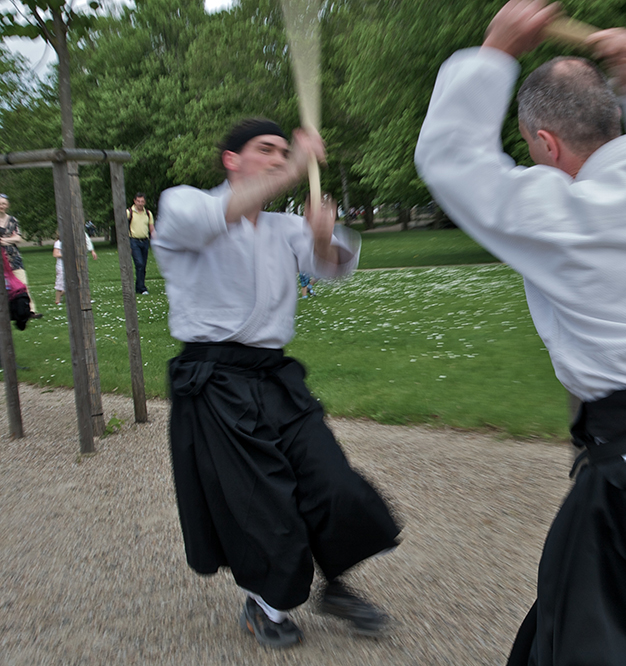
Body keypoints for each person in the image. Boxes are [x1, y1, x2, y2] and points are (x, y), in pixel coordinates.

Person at [415, 2, 626, 664]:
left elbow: (451, 160)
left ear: (546, 144)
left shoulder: (570, 216)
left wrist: (494, 50)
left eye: (529, 149)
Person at [152, 118, 401, 649]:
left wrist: (318, 236)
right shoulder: (185, 206)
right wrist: (293, 168)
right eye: (265, 150)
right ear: (231, 159)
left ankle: (334, 585)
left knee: (332, 482)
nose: (277, 159)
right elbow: (220, 215)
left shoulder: (286, 228)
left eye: (284, 151)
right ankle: (266, 605)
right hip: (214, 379)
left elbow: (333, 267)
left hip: (274, 374)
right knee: (263, 500)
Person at [0, 193, 41, 318]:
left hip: (13, 257)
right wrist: (10, 238)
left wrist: (4, 241)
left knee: (22, 284)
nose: (1, 206)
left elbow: (18, 238)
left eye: (3, 203)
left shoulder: (12, 220)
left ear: (7, 205)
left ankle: (29, 310)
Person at [53, 232, 98, 306]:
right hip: (62, 266)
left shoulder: (71, 243)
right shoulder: (59, 243)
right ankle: (58, 300)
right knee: (61, 283)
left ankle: (84, 298)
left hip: (72, 265)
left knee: (78, 281)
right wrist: (67, 255)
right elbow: (55, 254)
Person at [127, 192, 155, 295]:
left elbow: (151, 228)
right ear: (134, 201)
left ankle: (139, 286)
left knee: (143, 265)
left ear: (145, 202)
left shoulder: (148, 213)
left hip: (144, 241)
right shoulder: (129, 212)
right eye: (138, 201)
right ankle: (142, 287)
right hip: (134, 241)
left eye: (142, 201)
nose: (140, 203)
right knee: (139, 263)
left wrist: (155, 240)